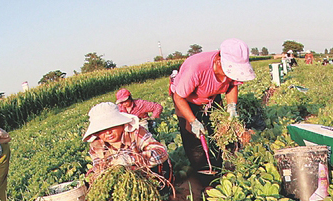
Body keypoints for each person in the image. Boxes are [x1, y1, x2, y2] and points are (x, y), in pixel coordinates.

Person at [170, 38, 255, 184]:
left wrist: (232, 107)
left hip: (211, 97)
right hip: (186, 100)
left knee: (220, 131)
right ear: (218, 62)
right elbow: (179, 97)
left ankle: (223, 167)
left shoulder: (228, 72)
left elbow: (232, 85)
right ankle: (206, 179)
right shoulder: (196, 68)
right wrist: (193, 121)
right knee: (194, 140)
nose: (231, 76)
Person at [83, 102, 170, 185]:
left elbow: (161, 152)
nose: (108, 132)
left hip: (148, 176)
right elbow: (98, 165)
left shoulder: (136, 133)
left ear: (121, 123)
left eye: (112, 126)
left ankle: (165, 189)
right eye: (102, 130)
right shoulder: (97, 145)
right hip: (121, 182)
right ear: (96, 133)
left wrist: (132, 159)